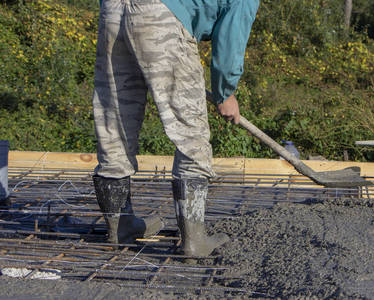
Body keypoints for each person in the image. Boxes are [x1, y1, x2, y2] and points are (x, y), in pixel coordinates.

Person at [91, 0, 259, 261]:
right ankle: (195, 241)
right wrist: (226, 92)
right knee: (191, 133)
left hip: (112, 9)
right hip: (160, 13)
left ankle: (119, 227)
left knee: (114, 122)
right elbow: (230, 38)